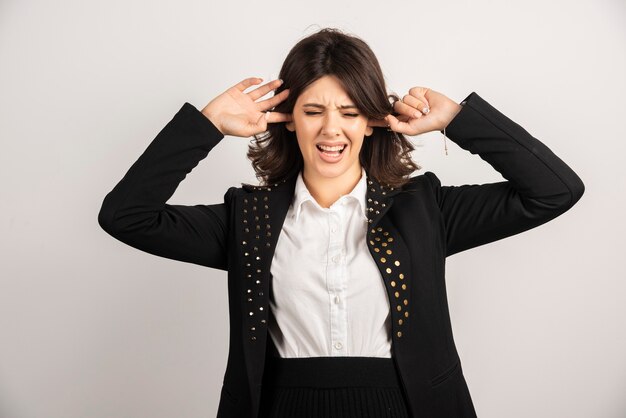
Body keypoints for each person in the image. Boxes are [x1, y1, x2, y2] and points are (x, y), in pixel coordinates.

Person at [98, 28, 585, 418]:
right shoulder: (248, 220)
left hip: (407, 407)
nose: (331, 129)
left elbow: (554, 190)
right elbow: (127, 216)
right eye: (313, 111)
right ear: (288, 119)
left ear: (372, 121)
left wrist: (458, 119)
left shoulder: (425, 210)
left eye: (349, 112)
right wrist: (204, 126)